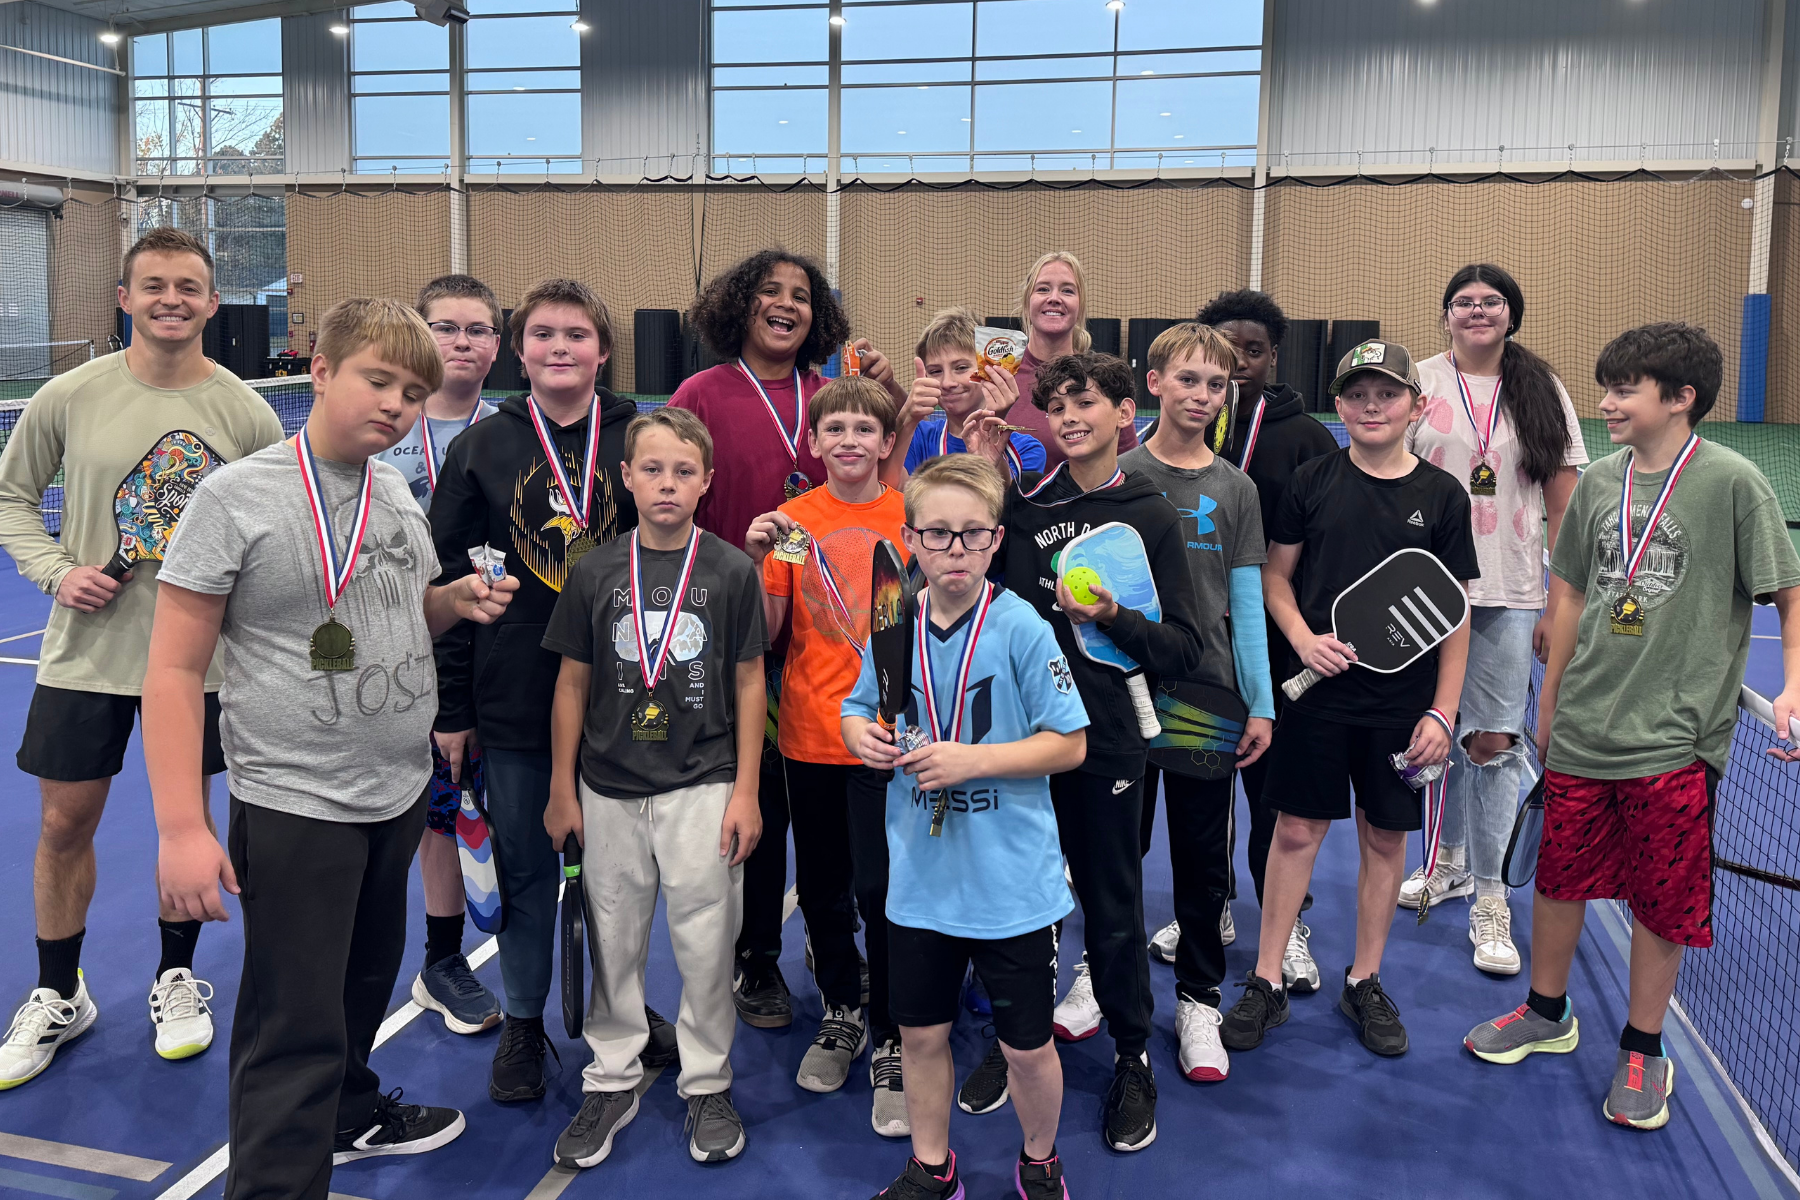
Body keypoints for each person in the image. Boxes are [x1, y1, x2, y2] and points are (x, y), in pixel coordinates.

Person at [141, 298, 518, 1197]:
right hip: (296, 802)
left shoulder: (392, 489)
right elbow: (171, 670)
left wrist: (452, 602)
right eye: (377, 380)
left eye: (414, 392)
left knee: (357, 991)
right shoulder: (235, 497)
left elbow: (396, 609)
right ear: (319, 374)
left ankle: (350, 1114)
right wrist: (181, 828)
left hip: (391, 790)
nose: (396, 404)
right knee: (292, 1025)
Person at [1466, 322, 1800, 1132]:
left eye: (1624, 389)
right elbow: (1572, 595)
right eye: (1606, 387)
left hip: (1675, 743)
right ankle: (1547, 1012)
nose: (1606, 403)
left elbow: (1787, 590)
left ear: (1681, 399)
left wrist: (1792, 686)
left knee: (1661, 901)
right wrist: (1546, 713)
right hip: (1582, 731)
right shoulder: (1602, 483)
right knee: (1560, 880)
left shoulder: (1732, 483)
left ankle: (1644, 1045)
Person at [0, 227, 285, 1089]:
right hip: (84, 658)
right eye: (153, 285)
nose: (171, 299)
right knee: (62, 826)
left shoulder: (245, 411)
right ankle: (59, 993)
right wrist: (54, 569)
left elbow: (278, 525)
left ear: (209, 302)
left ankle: (174, 978)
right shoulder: (69, 395)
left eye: (189, 287)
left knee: (184, 826)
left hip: (203, 669)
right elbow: (12, 497)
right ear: (124, 299)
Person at [427, 278, 672, 1103]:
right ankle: (525, 1022)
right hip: (516, 695)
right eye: (542, 334)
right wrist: (453, 708)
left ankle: (626, 1008)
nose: (559, 348)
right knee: (531, 869)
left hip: (634, 691)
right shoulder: (480, 449)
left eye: (576, 334)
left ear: (604, 351)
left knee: (626, 873)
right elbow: (447, 586)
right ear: (518, 349)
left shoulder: (641, 436)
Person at [970, 351, 1203, 1151]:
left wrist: (1112, 618)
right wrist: (985, 472)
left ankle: (1132, 1056)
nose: (1070, 418)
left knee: (1111, 909)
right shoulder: (1026, 511)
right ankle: (1020, 1045)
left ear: (1123, 412)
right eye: (1058, 406)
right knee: (1022, 910)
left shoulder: (1149, 511)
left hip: (1105, 747)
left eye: (1087, 403)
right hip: (1022, 744)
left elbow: (1183, 648)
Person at [842, 453, 1089, 1200]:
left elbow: (1070, 743)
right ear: (911, 539)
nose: (954, 550)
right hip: (922, 881)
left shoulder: (1021, 628)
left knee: (1026, 1046)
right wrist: (862, 738)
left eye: (972, 535)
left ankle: (1040, 1159)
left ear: (995, 540)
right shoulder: (893, 629)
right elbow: (858, 711)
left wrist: (971, 761)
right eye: (937, 535)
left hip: (1011, 884)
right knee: (920, 1034)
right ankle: (931, 1163)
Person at [1220, 341, 1477, 1060]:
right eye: (1357, 395)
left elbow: (1453, 617)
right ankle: (1266, 979)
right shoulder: (1311, 480)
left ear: (1414, 406)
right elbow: (1276, 579)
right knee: (1295, 832)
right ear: (1340, 404)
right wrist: (1302, 640)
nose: (1371, 407)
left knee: (1384, 839)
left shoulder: (1443, 497)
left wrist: (1442, 711)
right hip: (1318, 700)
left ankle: (1364, 979)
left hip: (1403, 709)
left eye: (1386, 394)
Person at [672, 249, 905, 1029]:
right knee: (758, 808)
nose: (785, 304)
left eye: (801, 295)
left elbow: (887, 496)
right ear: (739, 304)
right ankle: (759, 958)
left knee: (847, 832)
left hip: (826, 638)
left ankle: (839, 950)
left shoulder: (830, 388)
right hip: (740, 622)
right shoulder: (701, 393)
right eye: (769, 292)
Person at [541, 406, 766, 1168]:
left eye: (683, 471)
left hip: (702, 783)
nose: (667, 484)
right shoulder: (597, 569)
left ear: (706, 482)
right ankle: (613, 1075)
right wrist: (562, 788)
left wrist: (746, 791)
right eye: (652, 470)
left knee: (706, 940)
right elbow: (571, 684)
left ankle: (705, 1080)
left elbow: (747, 681)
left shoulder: (732, 569)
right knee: (612, 935)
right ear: (627, 478)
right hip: (606, 785)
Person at [1400, 264, 1587, 976]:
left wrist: (1558, 602)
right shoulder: (1418, 382)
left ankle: (1490, 898)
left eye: (1491, 302)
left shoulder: (1543, 392)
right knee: (1436, 735)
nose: (1477, 311)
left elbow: (1566, 507)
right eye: (1463, 302)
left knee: (1493, 742)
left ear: (1512, 315)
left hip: (1509, 592)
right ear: (1445, 315)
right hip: (1422, 592)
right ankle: (1445, 863)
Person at [743, 375, 909, 1130]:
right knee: (821, 889)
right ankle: (842, 1008)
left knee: (887, 895)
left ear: (886, 442)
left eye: (864, 429)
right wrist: (757, 560)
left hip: (891, 740)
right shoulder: (793, 524)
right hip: (810, 736)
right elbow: (769, 629)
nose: (849, 440)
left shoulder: (910, 515)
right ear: (813, 443)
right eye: (834, 428)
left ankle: (897, 1034)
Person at [1117, 323, 1273, 1084]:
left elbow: (1246, 601)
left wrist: (1262, 704)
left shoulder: (1237, 490)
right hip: (1124, 693)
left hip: (1209, 698)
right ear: (1154, 383)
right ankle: (1104, 975)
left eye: (1216, 385)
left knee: (1203, 857)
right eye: (1188, 380)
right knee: (1118, 847)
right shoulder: (1117, 474)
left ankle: (1200, 998)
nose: (1202, 396)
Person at [1176, 287, 1338, 990]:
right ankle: (1210, 914)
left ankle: (1289, 922)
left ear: (1273, 356)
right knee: (1204, 789)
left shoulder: (1304, 439)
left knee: (1271, 795)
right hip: (1195, 650)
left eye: (1252, 351)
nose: (1237, 365)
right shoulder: (1181, 432)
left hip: (1272, 644)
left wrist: (1298, 634)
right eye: (1223, 351)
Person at [370, 274, 504, 1035]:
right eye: (446, 326)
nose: (462, 341)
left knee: (487, 798)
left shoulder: (510, 430)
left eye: (477, 328)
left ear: (496, 343)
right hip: (397, 648)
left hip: (488, 647)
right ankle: (441, 957)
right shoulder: (382, 433)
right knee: (434, 808)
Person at [1001, 252, 1139, 469]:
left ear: (1079, 306)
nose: (1054, 298)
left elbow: (1129, 469)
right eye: (1043, 289)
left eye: (1067, 290)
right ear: (1027, 303)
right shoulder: (999, 372)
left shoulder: (1102, 379)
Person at [894, 306, 1039, 477]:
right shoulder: (918, 436)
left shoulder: (1027, 449)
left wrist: (992, 440)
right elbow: (889, 489)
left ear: (987, 369)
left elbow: (1010, 502)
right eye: (935, 371)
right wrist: (907, 417)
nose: (947, 383)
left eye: (961, 368)